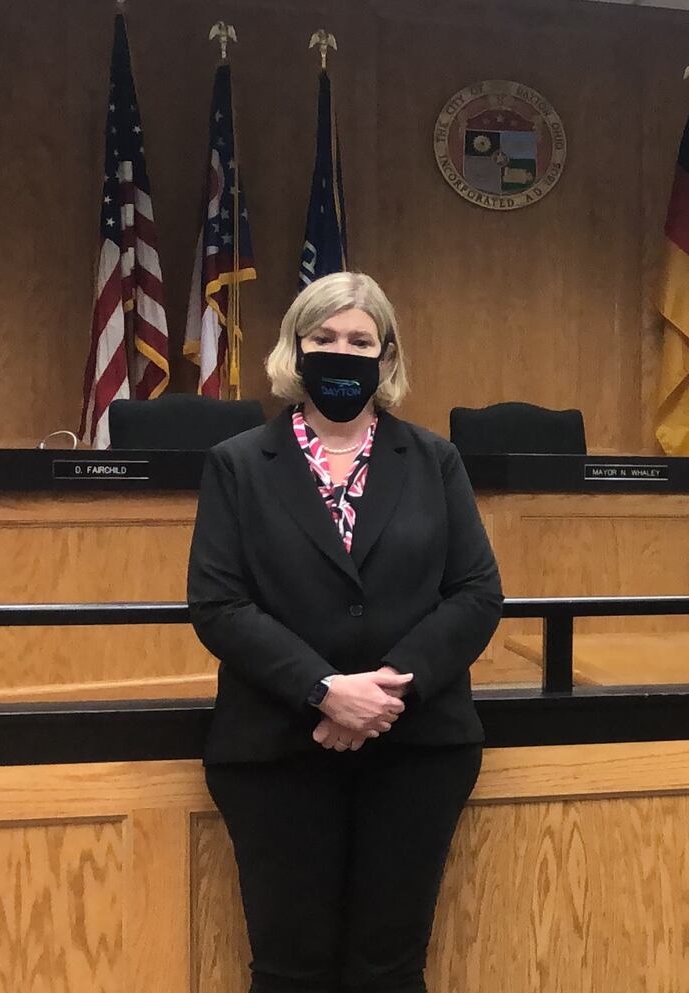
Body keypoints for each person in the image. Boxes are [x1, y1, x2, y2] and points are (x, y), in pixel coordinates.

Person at [188, 271, 503, 993]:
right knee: (290, 968)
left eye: (360, 340)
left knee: (388, 968)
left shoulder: (434, 460)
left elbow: (478, 592)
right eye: (323, 337)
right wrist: (325, 690)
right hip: (277, 751)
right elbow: (218, 602)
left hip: (416, 749)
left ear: (386, 356)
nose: (342, 352)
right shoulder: (238, 464)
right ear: (293, 350)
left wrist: (386, 690)